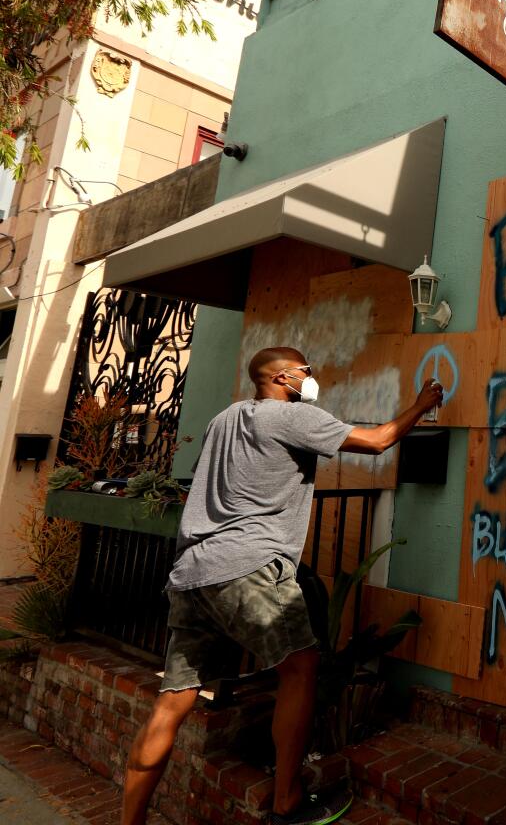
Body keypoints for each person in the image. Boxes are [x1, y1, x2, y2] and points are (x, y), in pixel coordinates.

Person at [120, 346, 444, 825]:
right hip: (247, 565)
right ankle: (287, 798)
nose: (312, 380)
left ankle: (129, 821)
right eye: (307, 372)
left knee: (173, 700)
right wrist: (422, 402)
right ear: (284, 377)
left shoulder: (224, 419)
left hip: (193, 572)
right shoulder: (290, 416)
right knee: (301, 667)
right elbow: (377, 442)